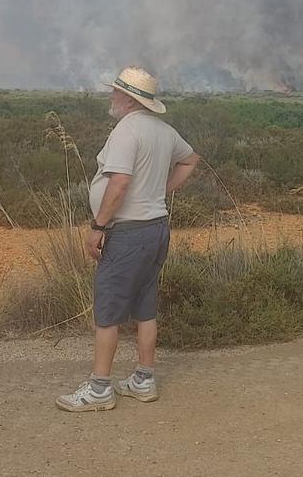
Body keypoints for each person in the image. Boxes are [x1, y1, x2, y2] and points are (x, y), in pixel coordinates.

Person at [56, 66, 199, 412]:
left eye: (116, 92)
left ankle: (99, 389)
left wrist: (99, 226)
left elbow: (119, 183)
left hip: (128, 233)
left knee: (107, 310)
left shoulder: (126, 130)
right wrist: (160, 190)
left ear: (129, 100)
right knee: (145, 307)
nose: (111, 96)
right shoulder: (164, 130)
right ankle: (143, 380)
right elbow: (190, 160)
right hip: (156, 228)